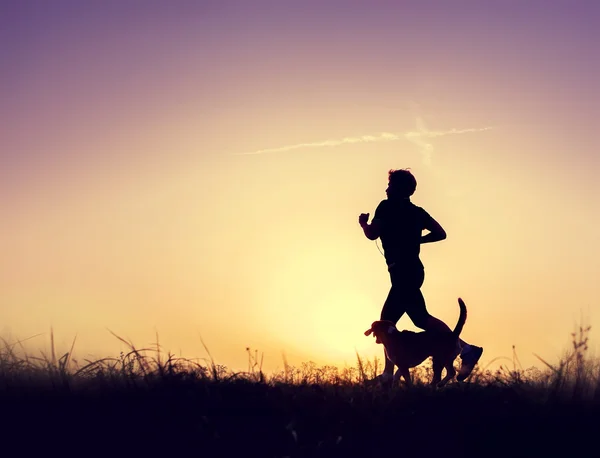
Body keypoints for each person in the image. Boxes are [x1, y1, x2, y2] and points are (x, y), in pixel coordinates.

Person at [359, 168, 483, 382]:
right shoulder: (418, 212)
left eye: (390, 185)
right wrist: (417, 241)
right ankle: (466, 349)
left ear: (398, 188)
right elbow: (440, 233)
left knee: (395, 321)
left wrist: (363, 223)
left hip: (402, 272)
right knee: (416, 319)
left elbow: (372, 235)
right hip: (414, 271)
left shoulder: (386, 206)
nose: (386, 189)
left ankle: (465, 349)